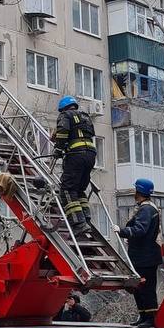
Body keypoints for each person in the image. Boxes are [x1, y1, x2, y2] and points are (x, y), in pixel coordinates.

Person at [119, 178, 162, 327]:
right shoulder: (146, 208)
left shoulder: (146, 210)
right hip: (142, 257)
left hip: (145, 258)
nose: (134, 193)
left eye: (135, 190)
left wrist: (122, 231)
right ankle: (143, 316)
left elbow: (140, 230)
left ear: (139, 191)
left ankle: (150, 318)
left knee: (146, 288)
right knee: (139, 288)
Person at [52, 95, 97, 233]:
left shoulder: (65, 115)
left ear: (62, 108)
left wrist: (58, 149)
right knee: (79, 190)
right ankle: (86, 219)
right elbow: (86, 134)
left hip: (76, 155)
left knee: (67, 189)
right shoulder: (86, 117)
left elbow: (63, 132)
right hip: (90, 155)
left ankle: (78, 224)